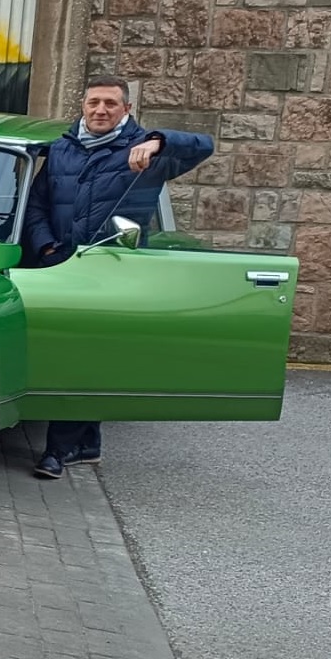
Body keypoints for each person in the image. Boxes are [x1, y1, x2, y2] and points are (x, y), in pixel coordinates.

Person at [24, 74, 214, 480]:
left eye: (111, 103)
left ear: (126, 109)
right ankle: (87, 443)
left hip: (110, 268)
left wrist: (159, 141)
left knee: (81, 357)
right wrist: (46, 249)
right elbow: (37, 205)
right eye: (94, 102)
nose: (101, 110)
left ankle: (57, 451)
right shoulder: (61, 149)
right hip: (59, 265)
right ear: (83, 106)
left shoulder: (145, 150)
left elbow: (205, 145)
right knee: (66, 352)